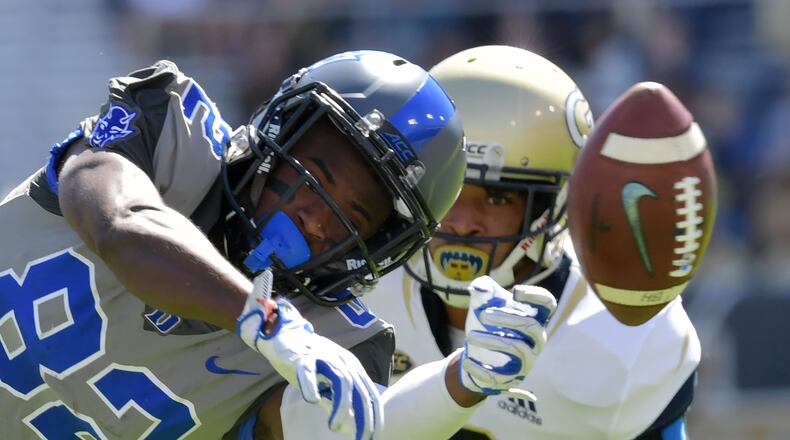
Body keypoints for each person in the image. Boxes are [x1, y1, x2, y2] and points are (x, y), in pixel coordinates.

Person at [0, 50, 471, 439]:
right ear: (282, 133)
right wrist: (267, 320)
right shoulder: (172, 130)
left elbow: (308, 429)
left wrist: (463, 383)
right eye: (313, 179)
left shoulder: (340, 342)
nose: (315, 217)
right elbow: (118, 222)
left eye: (354, 216)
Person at [365, 45, 700, 439]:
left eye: (497, 197)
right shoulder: (365, 284)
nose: (464, 221)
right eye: (449, 188)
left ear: (551, 207)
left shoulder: (622, 337)